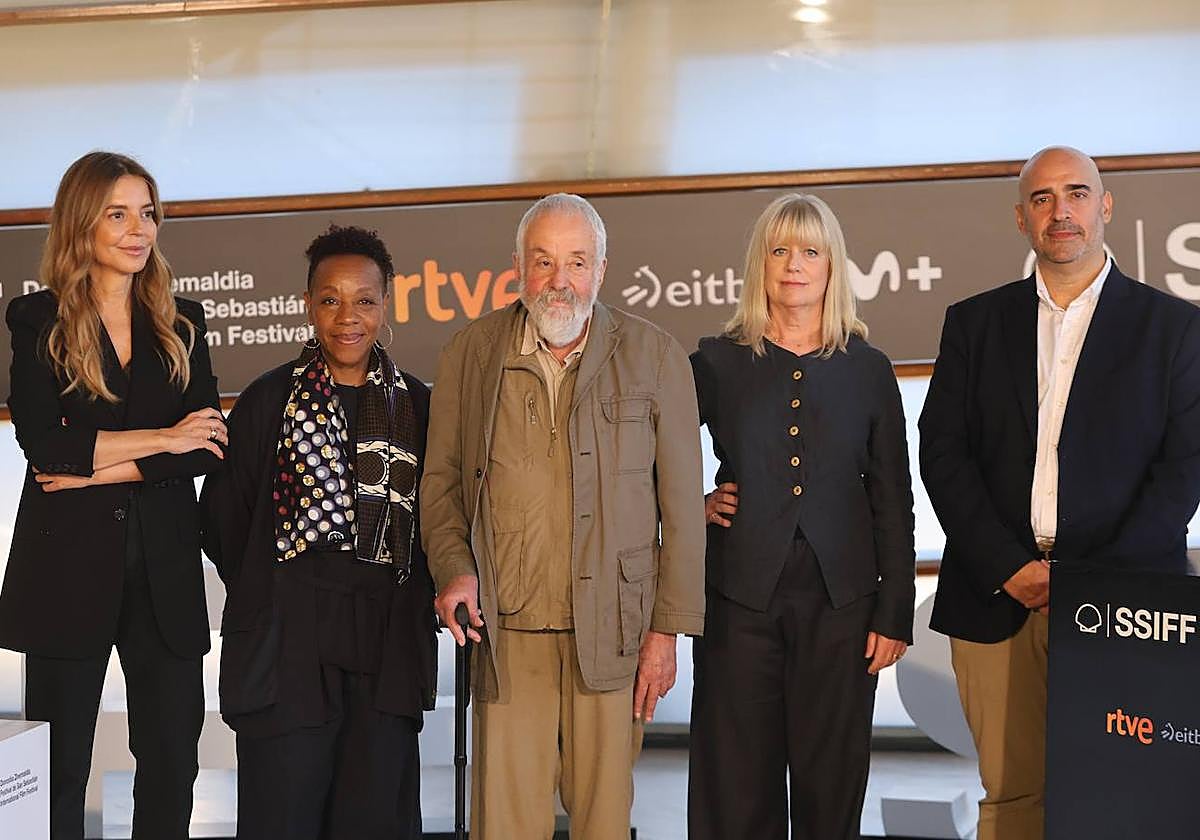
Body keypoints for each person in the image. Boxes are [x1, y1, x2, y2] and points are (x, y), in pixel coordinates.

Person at [920, 146, 1200, 840]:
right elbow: (942, 453)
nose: (1061, 210)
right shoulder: (973, 323)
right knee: (1011, 799)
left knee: (1125, 794)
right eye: (1043, 198)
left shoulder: (1175, 328)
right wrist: (1009, 566)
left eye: (1077, 193)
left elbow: (1184, 469)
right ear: (1022, 218)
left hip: (1125, 604)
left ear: (1105, 207)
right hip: (996, 597)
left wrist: (1086, 581)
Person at [422, 193, 705, 840]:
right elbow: (440, 488)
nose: (560, 280)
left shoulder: (655, 357)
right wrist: (454, 572)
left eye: (577, 262)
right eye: (544, 261)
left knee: (603, 822)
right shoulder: (470, 354)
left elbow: (683, 509)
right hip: (506, 628)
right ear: (517, 266)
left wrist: (666, 634)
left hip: (614, 631)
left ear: (601, 270)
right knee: (505, 825)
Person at [0, 151, 224, 840]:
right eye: (118, 213)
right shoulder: (37, 319)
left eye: (148, 213)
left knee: (170, 764)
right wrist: (164, 438)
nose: (139, 229)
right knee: (59, 770)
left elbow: (209, 443)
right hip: (66, 573)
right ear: (81, 224)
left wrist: (106, 463)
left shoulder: (183, 321)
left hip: (166, 574)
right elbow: (48, 450)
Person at [687, 193, 916, 840]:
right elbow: (650, 451)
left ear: (832, 265)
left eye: (810, 251)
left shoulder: (869, 371)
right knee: (735, 786)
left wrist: (893, 609)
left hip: (843, 606)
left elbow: (893, 498)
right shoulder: (716, 361)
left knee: (830, 784)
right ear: (759, 263)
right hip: (738, 601)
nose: (794, 264)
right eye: (780, 249)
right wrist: (689, 504)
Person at [200, 225, 435, 840]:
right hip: (286, 651)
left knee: (377, 820)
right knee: (282, 818)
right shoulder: (266, 402)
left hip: (385, 648)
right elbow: (224, 519)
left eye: (364, 300)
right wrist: (276, 588)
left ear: (386, 305)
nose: (347, 317)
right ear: (308, 304)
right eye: (330, 299)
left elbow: (442, 521)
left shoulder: (419, 407)